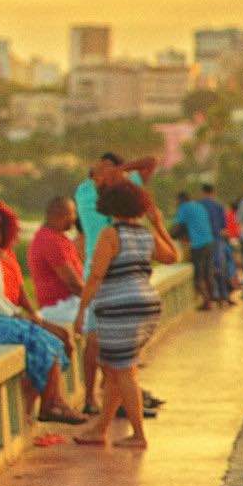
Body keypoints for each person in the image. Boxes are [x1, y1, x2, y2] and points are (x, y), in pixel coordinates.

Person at [0, 200, 86, 424]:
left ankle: (50, 403)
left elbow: (2, 296)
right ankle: (52, 405)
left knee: (51, 342)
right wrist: (17, 316)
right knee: (43, 342)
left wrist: (20, 315)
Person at [72, 181, 179, 449]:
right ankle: (101, 428)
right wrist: (158, 224)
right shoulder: (144, 235)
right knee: (117, 369)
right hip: (146, 305)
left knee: (123, 371)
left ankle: (139, 434)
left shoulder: (110, 235)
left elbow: (96, 275)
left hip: (119, 308)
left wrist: (82, 311)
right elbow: (172, 257)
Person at [76, 152, 157, 411]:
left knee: (121, 353)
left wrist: (122, 169)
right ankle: (92, 398)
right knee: (96, 339)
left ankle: (116, 404)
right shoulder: (87, 192)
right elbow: (97, 275)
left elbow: (150, 161)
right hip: (101, 268)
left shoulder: (123, 193)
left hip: (123, 277)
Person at [29, 197, 85, 328]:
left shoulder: (57, 237)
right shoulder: (50, 240)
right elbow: (74, 284)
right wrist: (97, 298)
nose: (75, 217)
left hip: (69, 303)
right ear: (61, 214)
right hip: (60, 307)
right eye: (73, 213)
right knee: (107, 315)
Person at [175, 191, 217, 310]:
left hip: (198, 244)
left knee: (198, 275)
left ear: (181, 200)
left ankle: (206, 302)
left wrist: (168, 237)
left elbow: (179, 227)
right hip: (209, 241)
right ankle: (212, 299)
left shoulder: (184, 207)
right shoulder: (199, 206)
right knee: (208, 272)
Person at [199, 184, 234, 305]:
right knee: (221, 267)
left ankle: (214, 294)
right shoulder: (218, 206)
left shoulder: (200, 205)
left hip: (204, 242)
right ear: (213, 192)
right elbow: (224, 227)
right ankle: (224, 294)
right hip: (218, 240)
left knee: (208, 269)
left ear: (203, 192)